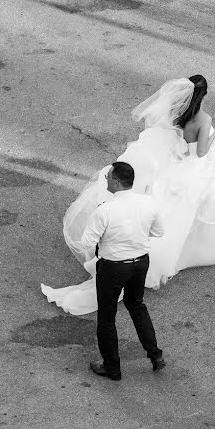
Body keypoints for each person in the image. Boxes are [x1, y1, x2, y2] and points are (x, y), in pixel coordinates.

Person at [41, 75, 215, 315]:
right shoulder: (204, 119)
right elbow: (202, 152)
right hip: (192, 167)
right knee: (191, 209)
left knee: (176, 210)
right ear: (203, 96)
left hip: (176, 159)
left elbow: (176, 137)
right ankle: (180, 253)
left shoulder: (179, 113)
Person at [82, 162, 165, 381]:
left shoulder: (105, 210)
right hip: (140, 263)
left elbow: (87, 242)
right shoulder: (149, 203)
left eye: (108, 176)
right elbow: (158, 231)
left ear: (117, 181)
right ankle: (155, 355)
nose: (106, 179)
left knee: (107, 317)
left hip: (113, 267)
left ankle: (112, 368)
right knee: (137, 305)